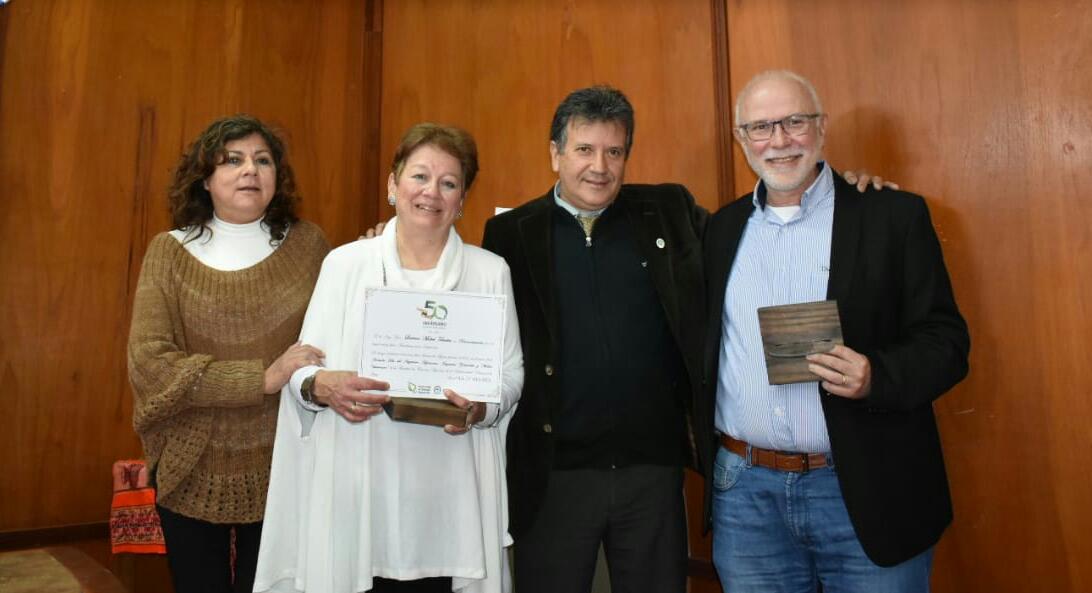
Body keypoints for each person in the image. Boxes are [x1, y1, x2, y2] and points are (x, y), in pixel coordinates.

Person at [700, 69, 970, 592]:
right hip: (746, 495)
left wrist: (876, 375)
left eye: (794, 122)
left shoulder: (891, 215)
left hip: (865, 489)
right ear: (741, 140)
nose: (778, 140)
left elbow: (947, 343)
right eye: (760, 128)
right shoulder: (720, 229)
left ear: (821, 127)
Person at [254, 123, 524, 593]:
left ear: (462, 201)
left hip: (450, 497)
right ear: (392, 185)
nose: (431, 193)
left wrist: (483, 408)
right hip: (361, 492)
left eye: (449, 183)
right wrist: (323, 386)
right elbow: (303, 371)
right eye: (419, 176)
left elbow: (511, 374)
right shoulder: (345, 264)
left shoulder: (490, 271)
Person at [128, 114, 330, 593]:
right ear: (206, 177)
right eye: (233, 160)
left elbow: (339, 338)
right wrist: (259, 378)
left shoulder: (311, 246)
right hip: (189, 467)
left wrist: (375, 256)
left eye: (263, 160)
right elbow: (149, 364)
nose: (250, 171)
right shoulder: (169, 251)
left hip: (288, 465)